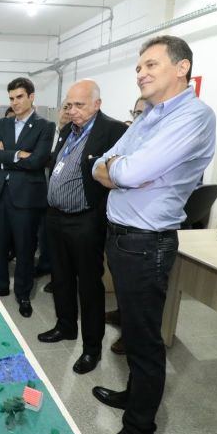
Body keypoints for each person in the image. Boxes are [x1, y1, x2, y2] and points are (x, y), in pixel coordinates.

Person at [90, 35, 216, 434]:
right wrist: (121, 170)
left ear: (181, 68)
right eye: (138, 67)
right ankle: (133, 396)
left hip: (148, 243)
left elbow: (133, 168)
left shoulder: (194, 116)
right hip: (122, 237)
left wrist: (124, 170)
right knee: (131, 327)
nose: (141, 73)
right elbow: (103, 162)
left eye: (151, 65)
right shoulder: (149, 115)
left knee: (145, 342)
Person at [37, 79, 126, 377]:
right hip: (56, 217)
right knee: (60, 278)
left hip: (86, 220)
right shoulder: (68, 130)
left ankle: (92, 348)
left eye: (79, 105)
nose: (72, 111)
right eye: (69, 105)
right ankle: (65, 327)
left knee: (88, 285)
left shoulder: (114, 131)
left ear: (97, 104)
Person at [0, 77, 54, 318]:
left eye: (19, 97)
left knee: (25, 248)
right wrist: (18, 155)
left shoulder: (46, 126)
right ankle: (1, 286)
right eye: (11, 98)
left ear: (31, 96)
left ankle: (23, 294)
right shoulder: (2, 124)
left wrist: (7, 155)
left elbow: (37, 161)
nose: (15, 102)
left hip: (26, 198)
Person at [104, 95, 148, 355]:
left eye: (145, 113)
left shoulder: (156, 142)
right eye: (136, 112)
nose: (139, 118)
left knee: (138, 296)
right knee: (121, 282)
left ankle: (130, 338)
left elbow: (128, 175)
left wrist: (116, 169)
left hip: (142, 231)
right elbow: (100, 166)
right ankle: (122, 316)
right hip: (117, 224)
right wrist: (115, 168)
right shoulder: (129, 135)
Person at [36, 105, 72, 289]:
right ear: (59, 111)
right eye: (65, 107)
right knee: (44, 233)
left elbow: (53, 158)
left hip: (63, 194)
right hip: (42, 189)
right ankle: (44, 265)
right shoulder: (48, 130)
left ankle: (58, 278)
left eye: (71, 108)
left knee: (61, 241)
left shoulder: (73, 134)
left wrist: (44, 157)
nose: (67, 111)